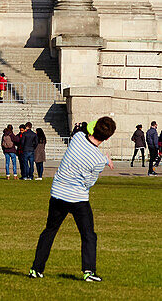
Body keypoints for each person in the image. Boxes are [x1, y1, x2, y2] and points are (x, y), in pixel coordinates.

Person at [30, 115, 116, 283]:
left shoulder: (77, 139)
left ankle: (36, 269)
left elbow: (83, 131)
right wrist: (104, 160)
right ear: (107, 138)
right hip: (78, 198)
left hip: (58, 194)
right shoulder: (97, 160)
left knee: (50, 231)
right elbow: (88, 183)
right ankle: (89, 271)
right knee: (88, 235)